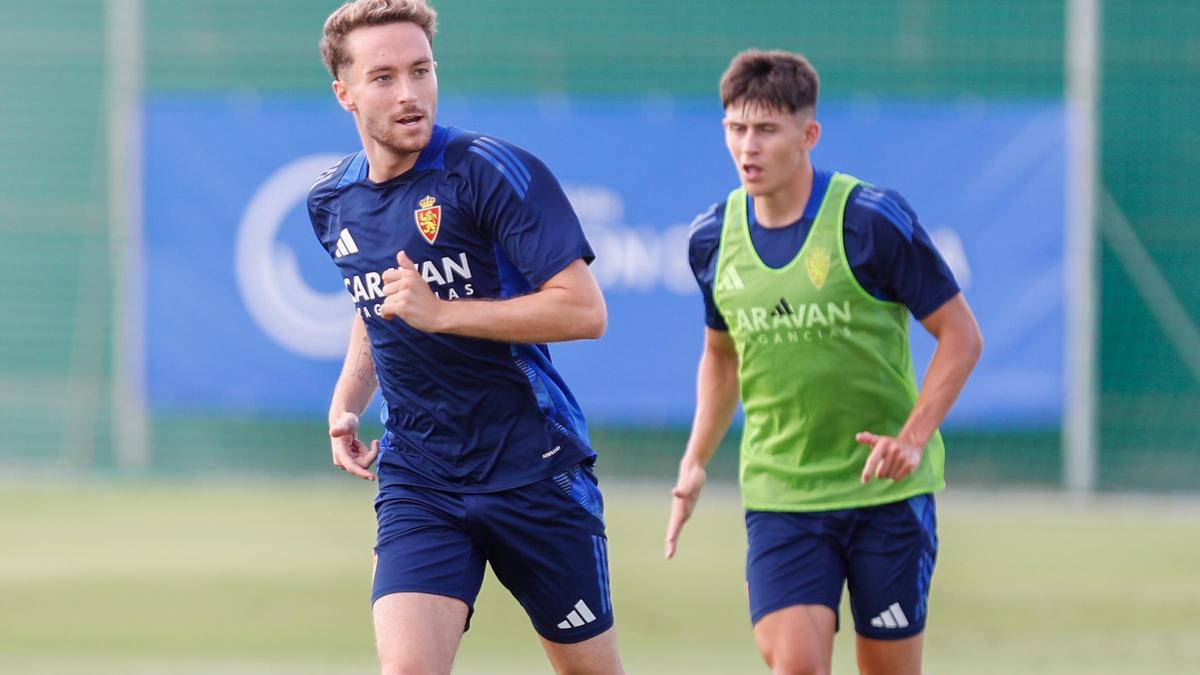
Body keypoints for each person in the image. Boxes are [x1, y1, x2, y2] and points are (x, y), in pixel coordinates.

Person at [307, 2, 624, 673]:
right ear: (345, 93)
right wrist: (346, 398)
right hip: (420, 476)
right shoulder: (331, 202)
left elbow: (583, 311)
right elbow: (376, 308)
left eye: (421, 71)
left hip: (534, 470)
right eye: (385, 77)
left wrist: (445, 313)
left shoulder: (491, 171)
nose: (410, 93)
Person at [664, 50, 983, 675]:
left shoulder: (870, 221)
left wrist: (913, 438)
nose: (746, 147)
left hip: (886, 493)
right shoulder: (711, 239)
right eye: (735, 128)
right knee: (798, 665)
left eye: (765, 130)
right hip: (783, 492)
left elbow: (961, 336)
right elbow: (722, 358)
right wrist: (695, 460)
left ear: (808, 134)